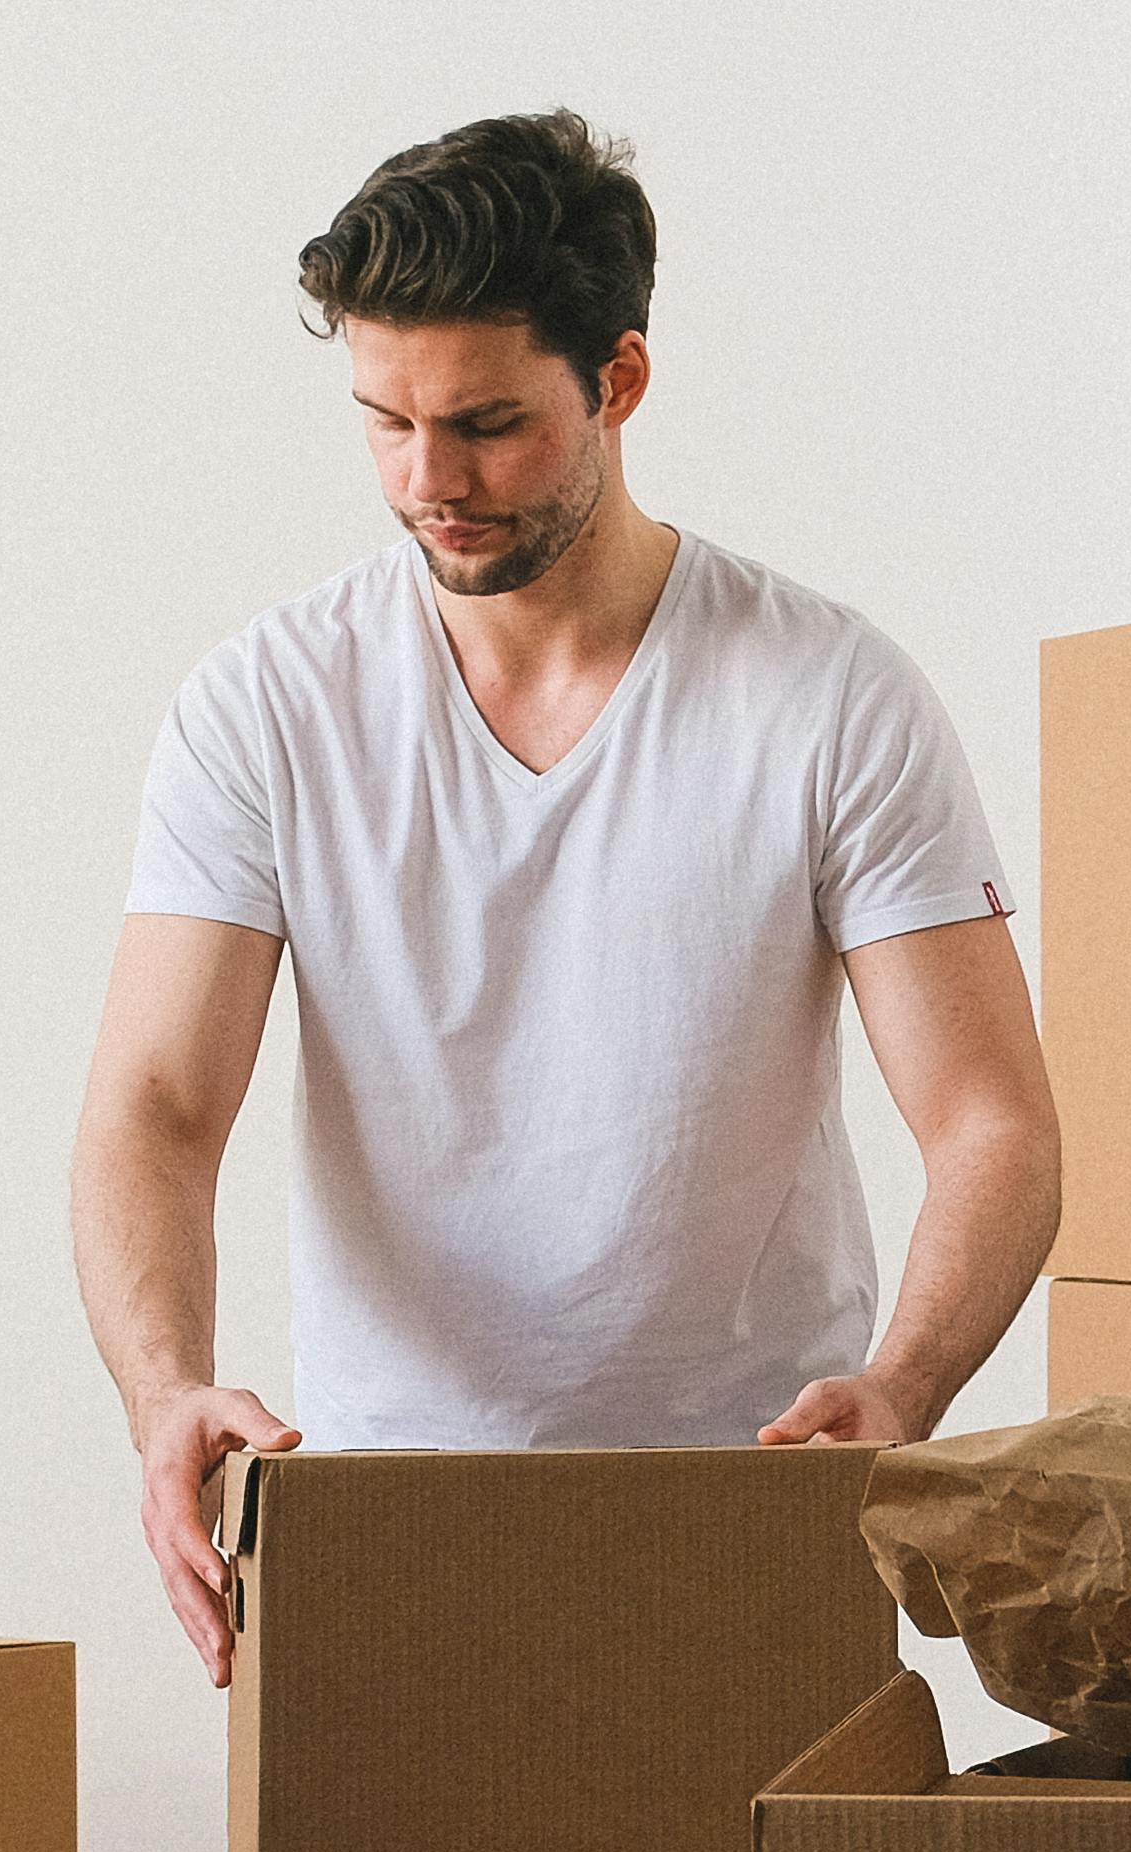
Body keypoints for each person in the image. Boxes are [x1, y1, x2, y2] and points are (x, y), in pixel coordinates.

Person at [74, 107, 1063, 1677]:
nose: (427, 481)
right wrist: (164, 1393)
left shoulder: (828, 697)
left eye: (485, 424)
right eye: (385, 423)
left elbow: (992, 1118)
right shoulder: (264, 705)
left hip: (746, 1490)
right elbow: (153, 1104)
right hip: (382, 1498)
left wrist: (903, 1390)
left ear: (619, 380)